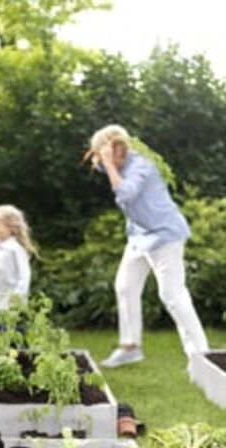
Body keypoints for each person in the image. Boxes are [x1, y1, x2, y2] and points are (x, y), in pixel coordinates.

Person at [88, 124, 209, 369]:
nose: (102, 161)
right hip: (139, 237)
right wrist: (103, 158)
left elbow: (126, 194)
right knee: (125, 286)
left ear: (118, 149)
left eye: (105, 153)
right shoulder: (118, 162)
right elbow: (105, 170)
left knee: (172, 294)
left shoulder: (140, 166)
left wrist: (110, 163)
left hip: (165, 235)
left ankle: (201, 355)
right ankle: (130, 346)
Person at [0, 204, 34, 311]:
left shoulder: (16, 248)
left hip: (12, 304)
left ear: (11, 228)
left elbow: (24, 274)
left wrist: (18, 295)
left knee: (11, 327)